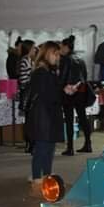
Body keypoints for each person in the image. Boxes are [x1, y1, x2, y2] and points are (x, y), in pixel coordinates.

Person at [25, 41, 68, 187]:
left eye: (58, 55)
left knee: (48, 147)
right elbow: (49, 95)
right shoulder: (41, 73)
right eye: (55, 54)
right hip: (43, 115)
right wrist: (62, 91)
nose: (58, 58)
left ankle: (46, 175)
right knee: (43, 148)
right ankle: (38, 178)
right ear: (47, 54)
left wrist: (62, 90)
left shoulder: (47, 72)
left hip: (48, 114)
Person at [59, 36, 93, 155]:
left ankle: (70, 147)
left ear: (66, 47)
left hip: (68, 92)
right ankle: (88, 143)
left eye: (62, 47)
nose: (60, 49)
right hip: (81, 91)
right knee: (82, 117)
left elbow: (62, 77)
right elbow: (84, 76)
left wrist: (60, 87)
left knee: (69, 119)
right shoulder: (80, 59)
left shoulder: (65, 60)